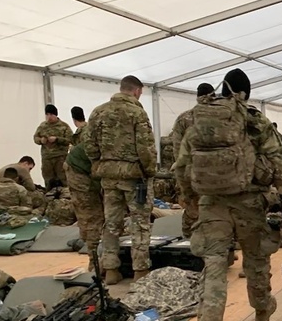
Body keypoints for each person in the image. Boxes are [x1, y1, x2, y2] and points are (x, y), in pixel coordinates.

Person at [176, 68, 282, 321]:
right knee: (255, 258)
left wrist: (190, 200)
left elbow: (181, 165)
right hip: (249, 201)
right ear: (245, 93)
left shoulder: (197, 118)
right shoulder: (252, 119)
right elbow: (281, 166)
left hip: (210, 202)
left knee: (215, 264)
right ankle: (262, 308)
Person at [83, 75, 157, 284]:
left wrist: (100, 164)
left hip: (108, 176)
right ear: (136, 91)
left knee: (111, 223)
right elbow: (145, 147)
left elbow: (89, 144)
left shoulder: (98, 112)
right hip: (134, 177)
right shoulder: (137, 112)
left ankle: (111, 269)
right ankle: (140, 270)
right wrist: (149, 170)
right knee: (140, 223)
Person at [168, 83, 216, 238]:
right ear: (213, 95)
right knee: (216, 208)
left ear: (197, 97)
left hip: (188, 171)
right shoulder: (220, 115)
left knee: (191, 206)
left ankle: (189, 242)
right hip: (214, 173)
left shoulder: (183, 118)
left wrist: (181, 175)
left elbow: (177, 150)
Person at [65, 140, 104, 259]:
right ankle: (93, 260)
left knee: (92, 214)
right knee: (93, 215)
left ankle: (87, 242)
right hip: (79, 171)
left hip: (83, 167)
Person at [33, 104, 73, 187]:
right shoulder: (43, 126)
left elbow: (70, 140)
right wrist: (41, 140)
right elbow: (35, 137)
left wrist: (57, 139)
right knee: (48, 180)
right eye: (47, 114)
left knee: (63, 179)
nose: (49, 117)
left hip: (60, 157)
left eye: (51, 114)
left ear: (56, 115)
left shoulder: (64, 126)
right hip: (47, 158)